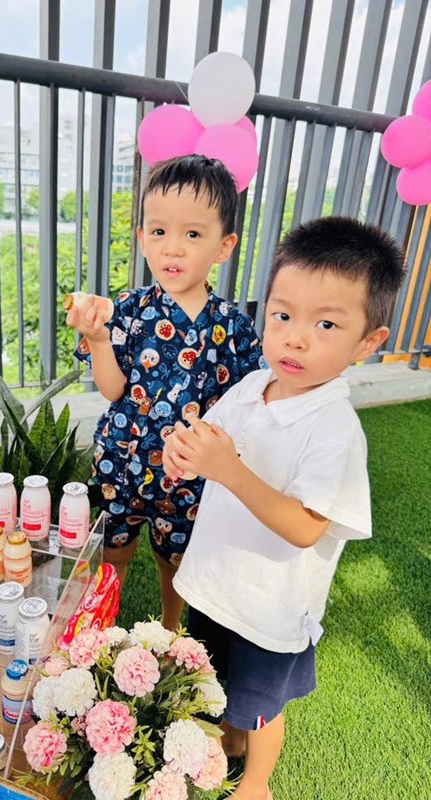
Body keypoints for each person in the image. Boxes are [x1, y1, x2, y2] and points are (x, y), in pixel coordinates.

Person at [163, 216, 405, 800]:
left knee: (261, 707)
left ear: (368, 341)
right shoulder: (252, 386)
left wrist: (229, 469)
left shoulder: (334, 428)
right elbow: (209, 438)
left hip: (269, 606)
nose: (296, 338)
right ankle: (229, 743)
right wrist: (184, 452)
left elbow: (304, 527)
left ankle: (256, 785)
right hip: (216, 581)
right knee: (214, 680)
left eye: (326, 324)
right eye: (282, 315)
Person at [67, 154, 263, 631]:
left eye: (192, 234)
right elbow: (113, 390)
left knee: (175, 560)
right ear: (141, 238)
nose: (172, 248)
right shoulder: (128, 309)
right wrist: (98, 339)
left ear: (224, 245)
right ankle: (100, 632)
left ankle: (170, 632)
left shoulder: (234, 326)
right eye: (158, 232)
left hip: (189, 473)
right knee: (113, 551)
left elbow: (248, 406)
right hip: (123, 458)